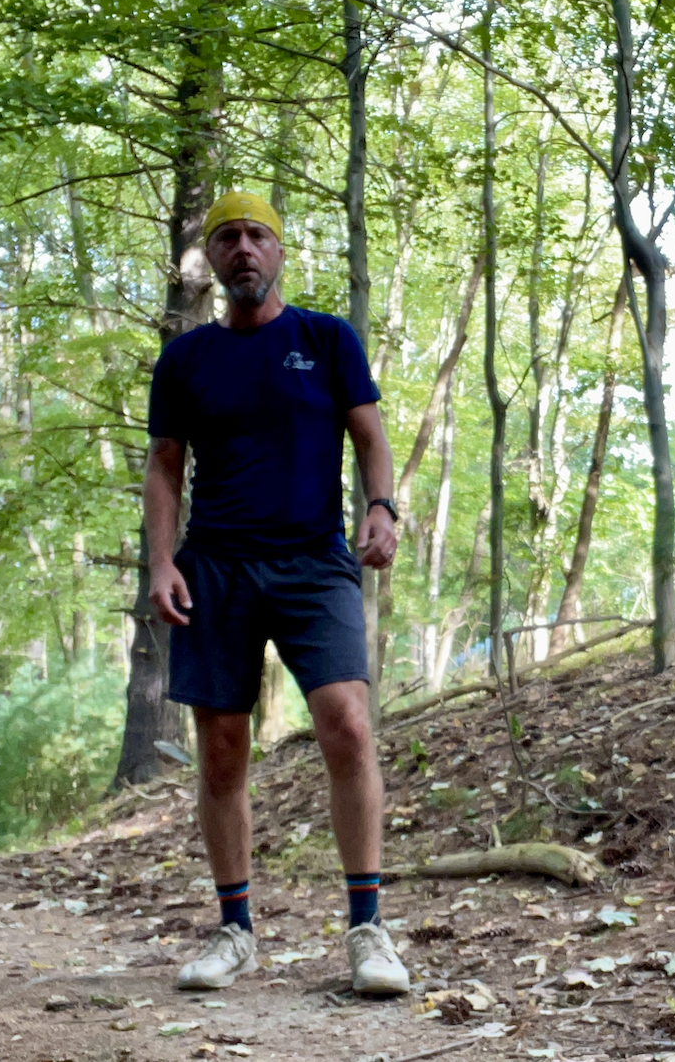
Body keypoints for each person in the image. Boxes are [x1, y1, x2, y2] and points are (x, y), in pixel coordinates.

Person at [142, 191, 410, 997]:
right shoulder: (186, 359)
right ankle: (236, 929)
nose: (245, 248)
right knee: (221, 748)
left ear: (280, 251)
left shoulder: (326, 339)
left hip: (312, 561)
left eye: (258, 235)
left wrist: (382, 508)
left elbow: (370, 438)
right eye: (229, 237)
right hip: (216, 567)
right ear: (213, 260)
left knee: (349, 725)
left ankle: (367, 930)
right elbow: (164, 467)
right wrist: (160, 563)